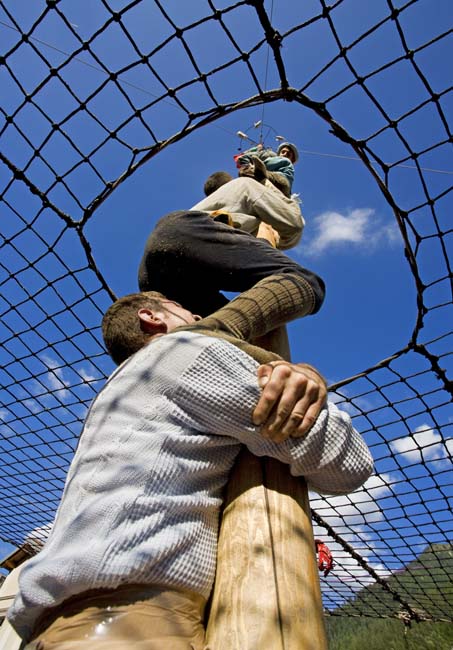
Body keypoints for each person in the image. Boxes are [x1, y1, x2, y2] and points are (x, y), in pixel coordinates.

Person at [8, 275, 374, 648]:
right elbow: (346, 464)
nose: (198, 314)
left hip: (53, 629)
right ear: (152, 317)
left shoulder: (116, 393)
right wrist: (306, 375)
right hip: (129, 627)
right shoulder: (183, 349)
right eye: (183, 310)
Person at [138, 207, 323, 318]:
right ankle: (223, 328)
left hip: (153, 278)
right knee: (308, 284)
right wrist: (267, 241)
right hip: (185, 233)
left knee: (228, 337)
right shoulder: (248, 185)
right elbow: (292, 224)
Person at [235, 141, 299, 196]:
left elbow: (285, 180)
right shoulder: (267, 155)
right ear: (279, 153)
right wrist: (249, 165)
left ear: (292, 160)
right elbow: (243, 158)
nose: (285, 154)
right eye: (283, 152)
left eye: (288, 154)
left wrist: (255, 166)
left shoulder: (286, 162)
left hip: (280, 181)